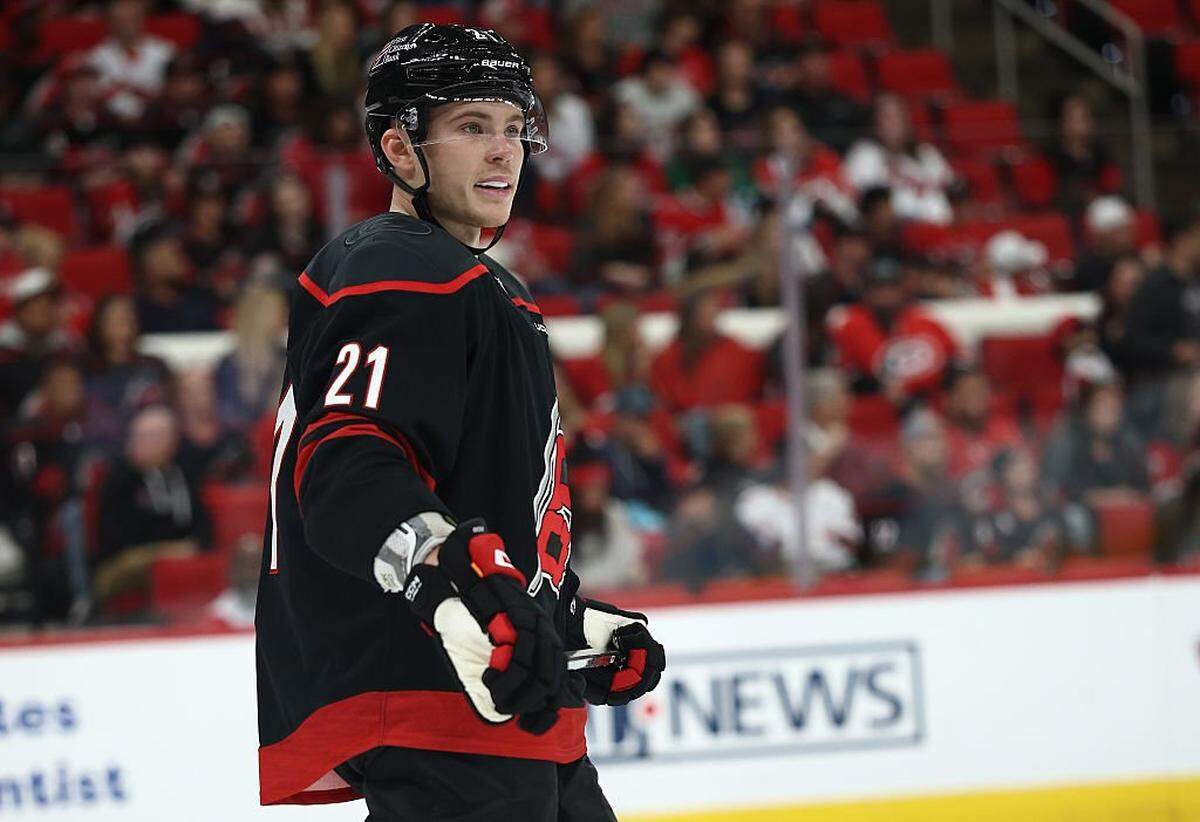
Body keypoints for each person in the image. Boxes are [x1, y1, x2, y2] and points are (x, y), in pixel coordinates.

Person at [255, 24, 664, 819]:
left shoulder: (477, 283)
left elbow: (482, 504)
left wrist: (563, 618)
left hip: (510, 709)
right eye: (473, 127)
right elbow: (346, 464)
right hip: (438, 707)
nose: (504, 152)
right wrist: (448, 584)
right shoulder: (396, 263)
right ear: (402, 151)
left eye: (514, 129)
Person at [844, 94, 956, 226]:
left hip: (937, 228)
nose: (894, 123)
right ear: (875, 122)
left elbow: (950, 186)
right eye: (887, 117)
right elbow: (862, 200)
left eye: (898, 116)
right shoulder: (864, 154)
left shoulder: (927, 153)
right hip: (893, 232)